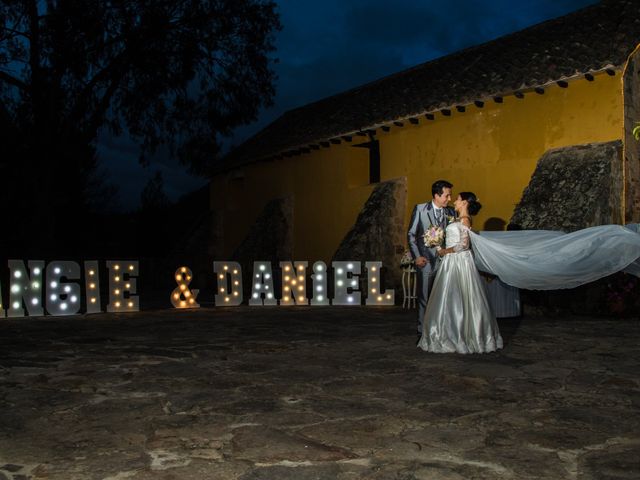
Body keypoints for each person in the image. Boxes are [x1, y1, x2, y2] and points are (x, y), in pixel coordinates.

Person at [418, 192, 503, 354]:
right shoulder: (457, 219)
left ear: (464, 203)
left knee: (460, 296)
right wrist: (437, 243)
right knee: (449, 297)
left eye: (457, 199)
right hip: (452, 261)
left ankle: (463, 336)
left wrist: (444, 251)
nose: (454, 201)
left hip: (459, 261)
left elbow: (464, 245)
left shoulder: (465, 219)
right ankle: (449, 333)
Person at [407, 180, 455, 337]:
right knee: (424, 298)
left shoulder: (451, 213)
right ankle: (424, 333)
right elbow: (411, 235)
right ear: (436, 195)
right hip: (425, 262)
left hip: (446, 262)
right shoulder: (420, 209)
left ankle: (442, 330)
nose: (450, 199)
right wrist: (417, 257)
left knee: (445, 298)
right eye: (447, 196)